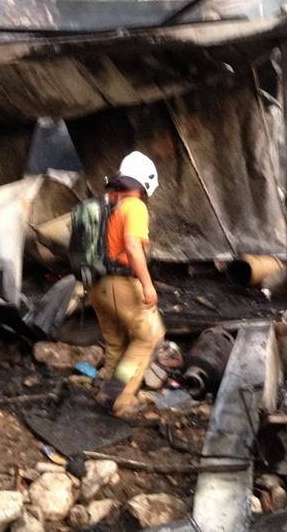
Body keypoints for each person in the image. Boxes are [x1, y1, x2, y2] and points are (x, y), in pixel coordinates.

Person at [91, 151, 165, 416]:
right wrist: (147, 285)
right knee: (148, 336)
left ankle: (104, 387)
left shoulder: (108, 204)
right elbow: (133, 248)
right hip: (120, 283)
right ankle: (120, 398)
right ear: (145, 184)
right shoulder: (135, 206)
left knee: (115, 341)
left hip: (96, 285)